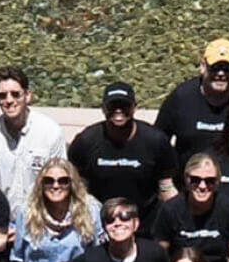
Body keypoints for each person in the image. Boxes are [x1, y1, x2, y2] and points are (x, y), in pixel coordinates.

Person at [69, 83, 178, 232]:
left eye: (124, 105)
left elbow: (166, 186)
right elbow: (79, 185)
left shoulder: (155, 140)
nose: (118, 110)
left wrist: (176, 221)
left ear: (134, 108)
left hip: (145, 223)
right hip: (99, 224)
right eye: (112, 105)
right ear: (103, 108)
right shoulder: (86, 141)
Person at [155, 37, 229, 160]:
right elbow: (159, 141)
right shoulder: (180, 98)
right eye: (215, 67)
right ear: (203, 66)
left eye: (226, 68)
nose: (220, 73)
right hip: (191, 177)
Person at [0, 65, 65, 207]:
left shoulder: (50, 131)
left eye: (15, 94)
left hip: (40, 217)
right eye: (2, 95)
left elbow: (59, 183)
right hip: (2, 218)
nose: (9, 100)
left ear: (27, 95)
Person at [10, 158, 103, 262]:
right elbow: (19, 257)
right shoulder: (26, 213)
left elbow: (97, 254)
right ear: (41, 184)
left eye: (63, 181)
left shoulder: (91, 210)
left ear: (72, 184)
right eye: (49, 181)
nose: (55, 186)